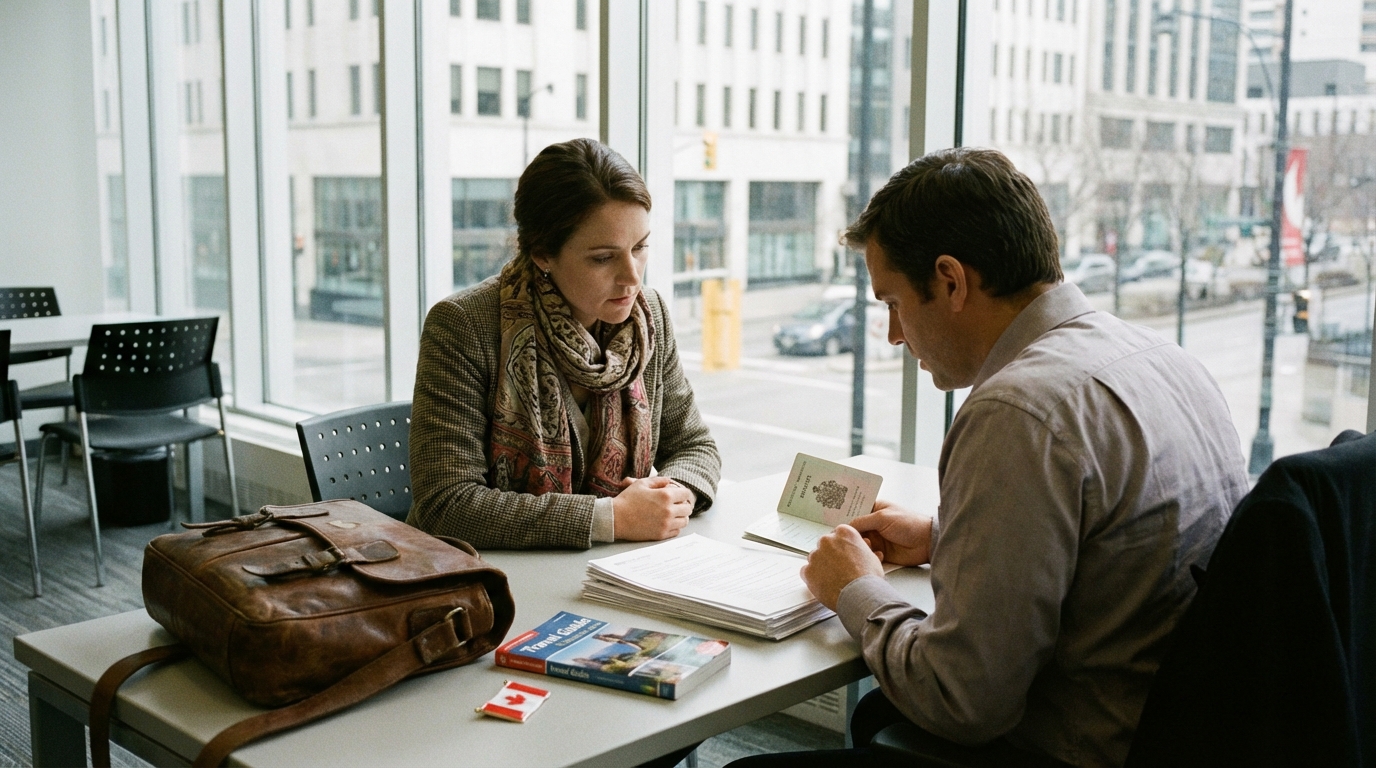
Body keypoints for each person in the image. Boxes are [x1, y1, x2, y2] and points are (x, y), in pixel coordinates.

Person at [769, 148, 1248, 767]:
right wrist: (944, 536)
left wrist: (854, 590)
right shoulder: (1163, 358)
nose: (892, 335)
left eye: (892, 304)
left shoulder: (1019, 411)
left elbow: (960, 701)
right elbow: (1115, 544)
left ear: (950, 281)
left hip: (1071, 750)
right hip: (1175, 729)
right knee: (877, 714)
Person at [407, 138, 720, 550]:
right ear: (542, 253)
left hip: (618, 570)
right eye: (603, 258)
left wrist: (670, 497)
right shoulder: (465, 325)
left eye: (640, 248)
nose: (632, 277)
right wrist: (611, 518)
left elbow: (695, 447)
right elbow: (445, 505)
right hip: (500, 580)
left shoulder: (649, 317)